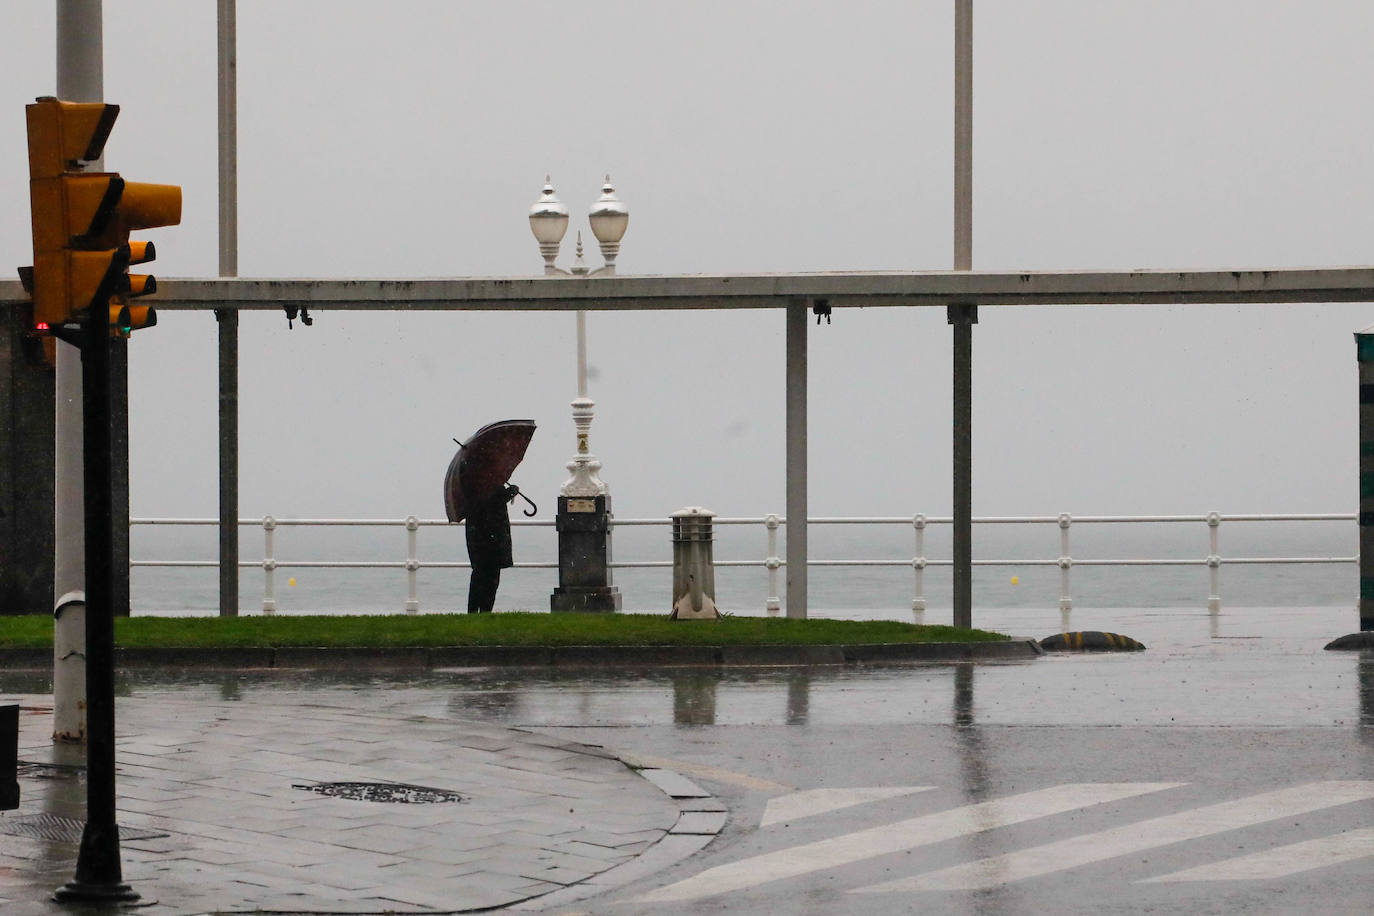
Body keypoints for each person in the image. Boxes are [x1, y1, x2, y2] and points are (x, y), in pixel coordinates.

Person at [464, 482, 519, 613]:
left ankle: (473, 610)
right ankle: (485, 610)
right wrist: (511, 491)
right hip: (492, 535)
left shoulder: (471, 484)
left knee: (479, 574)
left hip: (477, 535)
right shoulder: (490, 481)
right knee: (491, 576)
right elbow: (496, 500)